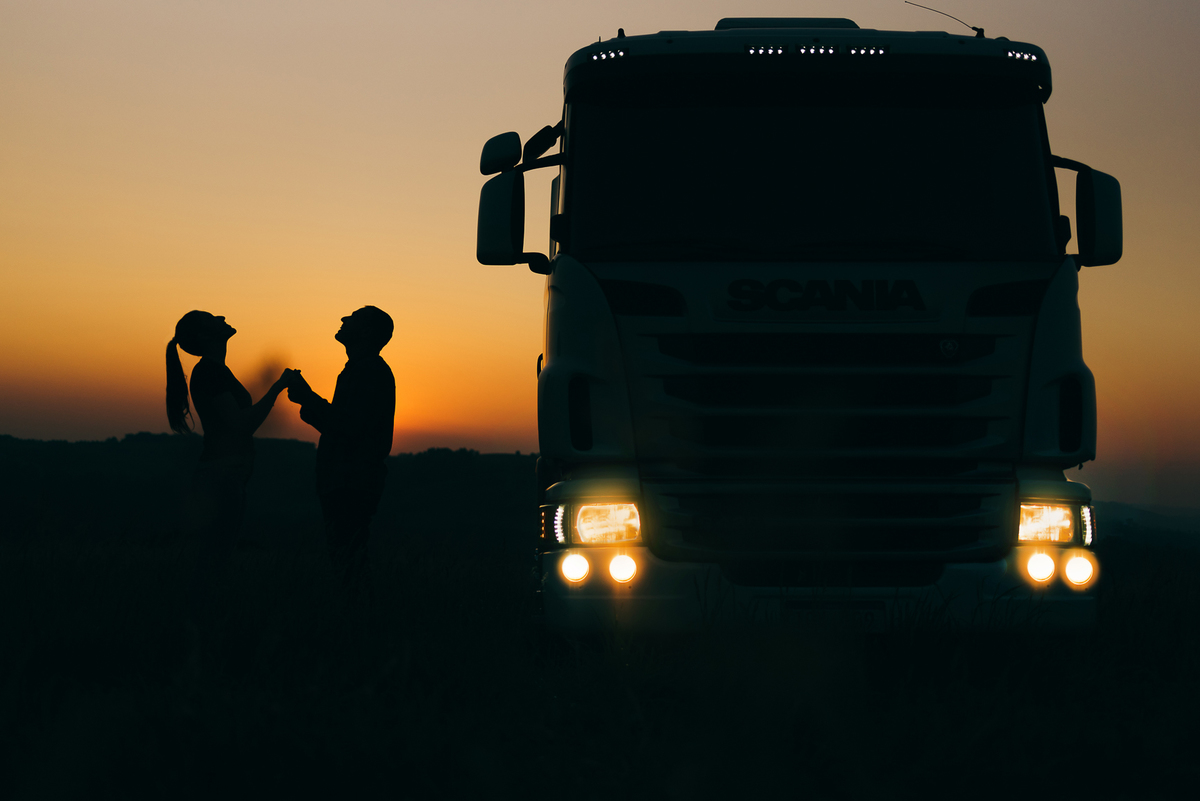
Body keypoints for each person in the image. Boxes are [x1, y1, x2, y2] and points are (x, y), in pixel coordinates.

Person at [166, 310, 294, 614]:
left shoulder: (213, 371)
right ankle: (196, 624)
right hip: (221, 477)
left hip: (222, 474)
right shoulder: (211, 372)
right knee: (213, 559)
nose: (222, 316)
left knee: (214, 557)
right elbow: (239, 425)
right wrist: (277, 388)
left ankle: (197, 621)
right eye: (213, 318)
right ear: (207, 336)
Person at [287, 306, 396, 601]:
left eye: (353, 318)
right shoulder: (362, 369)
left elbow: (347, 427)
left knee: (349, 562)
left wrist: (306, 398)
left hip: (351, 482)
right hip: (350, 481)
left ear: (366, 332)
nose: (343, 320)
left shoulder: (368, 371)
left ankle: (358, 623)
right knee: (347, 558)